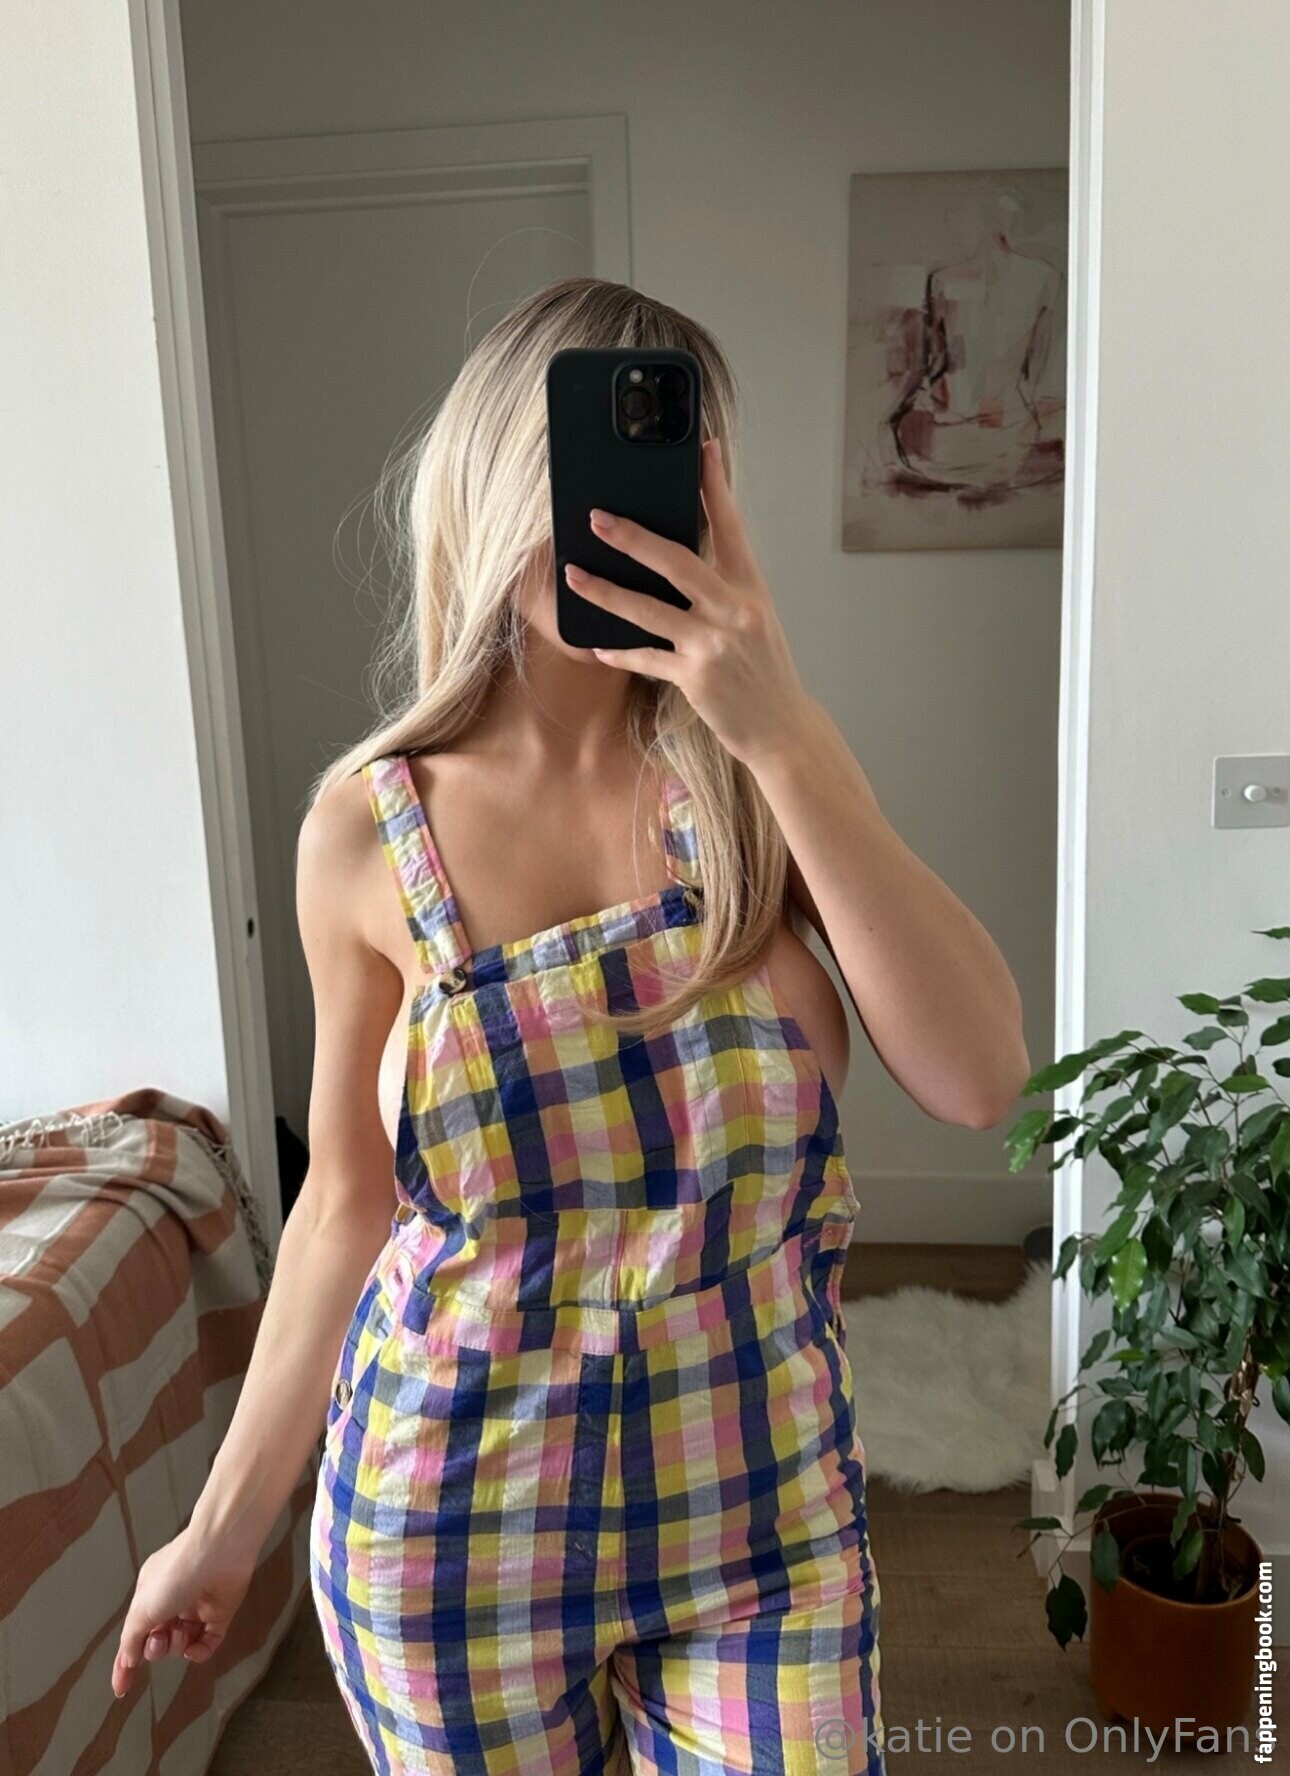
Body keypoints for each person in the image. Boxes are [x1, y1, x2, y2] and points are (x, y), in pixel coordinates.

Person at [111, 277, 1030, 1774]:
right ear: (497, 489)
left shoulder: (757, 781)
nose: (619, 522)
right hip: (449, 1534)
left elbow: (981, 1077)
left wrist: (784, 729)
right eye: (582, 475)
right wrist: (220, 1529)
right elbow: (345, 1206)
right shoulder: (368, 831)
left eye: (665, 474)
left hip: (760, 1525)